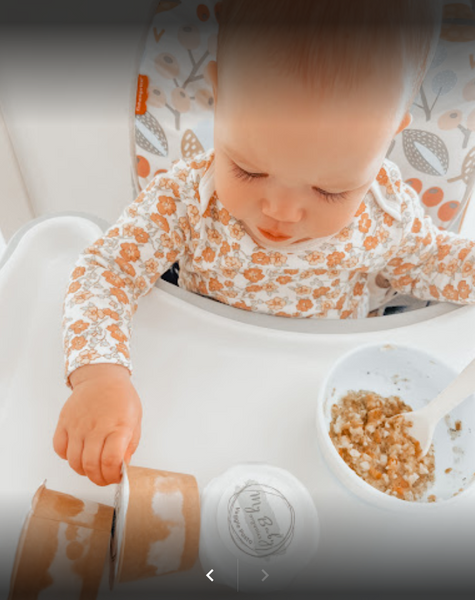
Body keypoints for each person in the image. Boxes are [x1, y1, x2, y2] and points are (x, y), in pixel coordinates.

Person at [55, 0, 472, 487]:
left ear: (391, 133)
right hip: (197, 385)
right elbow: (106, 270)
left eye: (328, 191)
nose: (282, 212)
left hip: (322, 408)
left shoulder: (386, 214)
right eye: (248, 170)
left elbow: (434, 262)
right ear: (217, 94)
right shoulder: (188, 200)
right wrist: (100, 375)